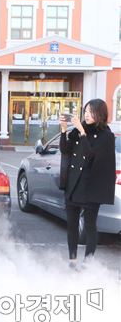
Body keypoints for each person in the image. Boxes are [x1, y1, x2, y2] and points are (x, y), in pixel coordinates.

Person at [59, 98, 115, 269]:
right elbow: (65, 149)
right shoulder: (77, 131)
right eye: (85, 111)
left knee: (90, 225)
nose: (87, 115)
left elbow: (90, 154)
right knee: (72, 224)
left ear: (100, 114)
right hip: (74, 184)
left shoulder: (106, 135)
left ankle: (88, 262)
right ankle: (72, 260)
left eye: (91, 112)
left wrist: (82, 131)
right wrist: (63, 131)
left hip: (92, 186)